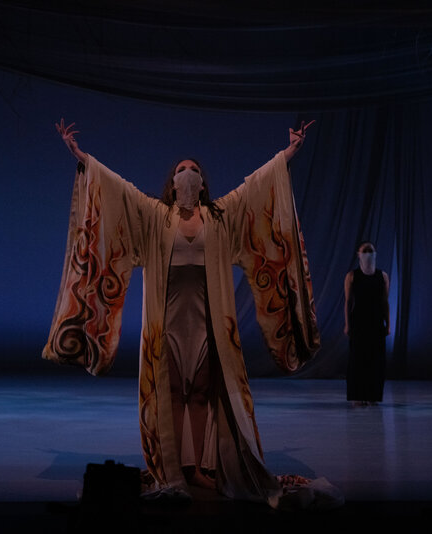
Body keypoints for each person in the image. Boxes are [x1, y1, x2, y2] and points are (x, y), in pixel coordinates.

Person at [44, 118, 338, 508]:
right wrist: (81, 157)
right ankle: (173, 466)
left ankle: (198, 466)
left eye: (193, 170)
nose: (187, 174)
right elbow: (117, 189)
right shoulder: (154, 216)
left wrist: (290, 153)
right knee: (171, 393)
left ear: (202, 183)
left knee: (200, 394)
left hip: (207, 324)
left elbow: (255, 188)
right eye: (181, 170)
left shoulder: (219, 216)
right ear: (172, 183)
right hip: (165, 323)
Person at [343, 242, 389, 406]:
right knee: (358, 359)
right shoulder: (352, 276)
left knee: (376, 360)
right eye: (365, 251)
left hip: (376, 322)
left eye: (371, 250)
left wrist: (388, 324)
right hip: (359, 321)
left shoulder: (382, 276)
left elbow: (385, 302)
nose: (368, 253)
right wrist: (347, 324)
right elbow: (348, 302)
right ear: (359, 254)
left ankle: (373, 395)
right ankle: (357, 395)